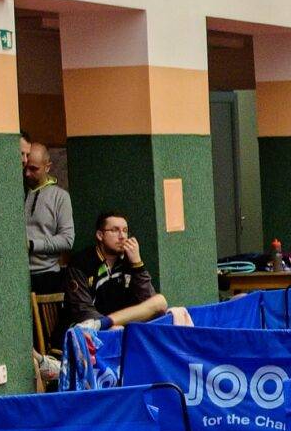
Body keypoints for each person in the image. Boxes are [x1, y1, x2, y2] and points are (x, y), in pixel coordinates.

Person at [62, 211, 186, 334]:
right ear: (100, 235)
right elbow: (82, 310)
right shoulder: (81, 263)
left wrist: (137, 264)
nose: (122, 236)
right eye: (115, 230)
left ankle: (107, 323)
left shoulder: (129, 259)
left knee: (160, 301)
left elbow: (148, 300)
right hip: (90, 330)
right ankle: (106, 324)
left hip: (121, 326)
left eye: (125, 231)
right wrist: (108, 327)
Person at [21, 140, 73, 297]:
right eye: (25, 167)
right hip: (18, 274)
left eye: (34, 169)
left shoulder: (60, 197)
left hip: (47, 275)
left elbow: (67, 240)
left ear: (47, 167)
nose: (27, 173)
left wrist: (33, 245)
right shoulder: (17, 192)